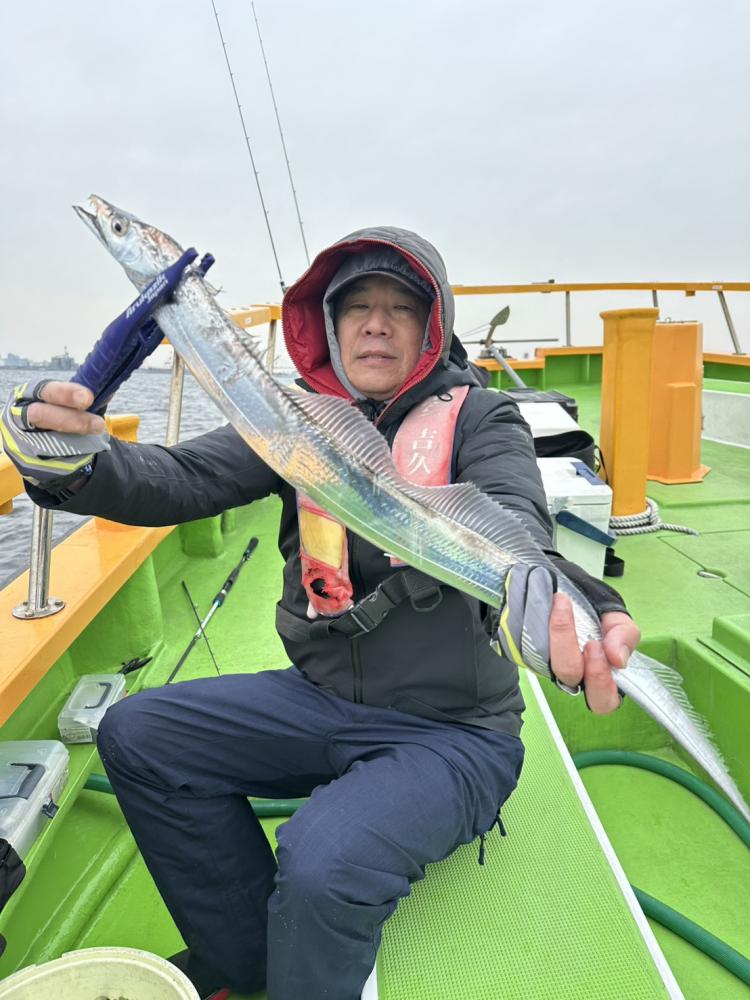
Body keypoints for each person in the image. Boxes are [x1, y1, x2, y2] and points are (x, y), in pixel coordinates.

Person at [2, 227, 639, 1000]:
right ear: (329, 326)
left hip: (456, 733)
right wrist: (70, 464)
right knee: (139, 734)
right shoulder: (294, 425)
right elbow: (176, 478)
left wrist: (582, 602)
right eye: (357, 307)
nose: (376, 325)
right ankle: (243, 961)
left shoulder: (483, 419)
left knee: (323, 858)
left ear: (432, 327)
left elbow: (515, 521)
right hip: (322, 700)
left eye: (400, 308)